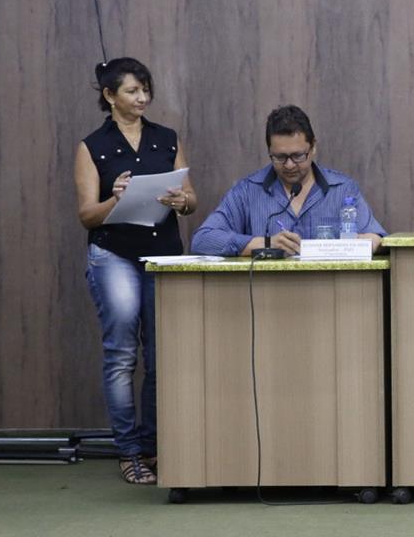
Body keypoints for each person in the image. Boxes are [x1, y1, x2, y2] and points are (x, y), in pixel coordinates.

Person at [74, 58, 197, 485]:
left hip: (162, 255)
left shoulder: (167, 138)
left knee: (162, 357)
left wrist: (182, 202)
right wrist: (116, 199)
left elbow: (191, 200)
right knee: (122, 355)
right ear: (109, 96)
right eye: (132, 91)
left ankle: (153, 447)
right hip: (114, 255)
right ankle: (128, 451)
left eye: (146, 89)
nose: (142, 98)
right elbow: (87, 216)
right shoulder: (92, 146)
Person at [191, 105, 385, 256]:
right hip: (266, 292)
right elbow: (202, 240)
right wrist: (265, 244)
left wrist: (361, 244)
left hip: (331, 291)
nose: (290, 165)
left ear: (313, 147)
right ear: (269, 151)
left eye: (298, 156)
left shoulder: (342, 189)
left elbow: (376, 237)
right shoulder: (248, 191)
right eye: (280, 157)